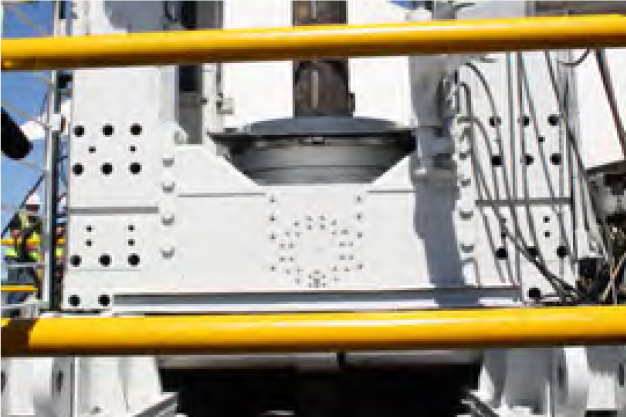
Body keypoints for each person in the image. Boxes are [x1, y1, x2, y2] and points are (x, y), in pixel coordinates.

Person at [4, 193, 42, 303]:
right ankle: (10, 313)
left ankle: (10, 311)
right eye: (32, 207)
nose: (34, 209)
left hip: (29, 259)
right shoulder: (19, 216)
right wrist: (25, 237)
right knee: (13, 287)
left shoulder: (39, 220)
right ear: (27, 207)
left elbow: (43, 237)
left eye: (36, 207)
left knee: (28, 283)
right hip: (14, 257)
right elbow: (14, 233)